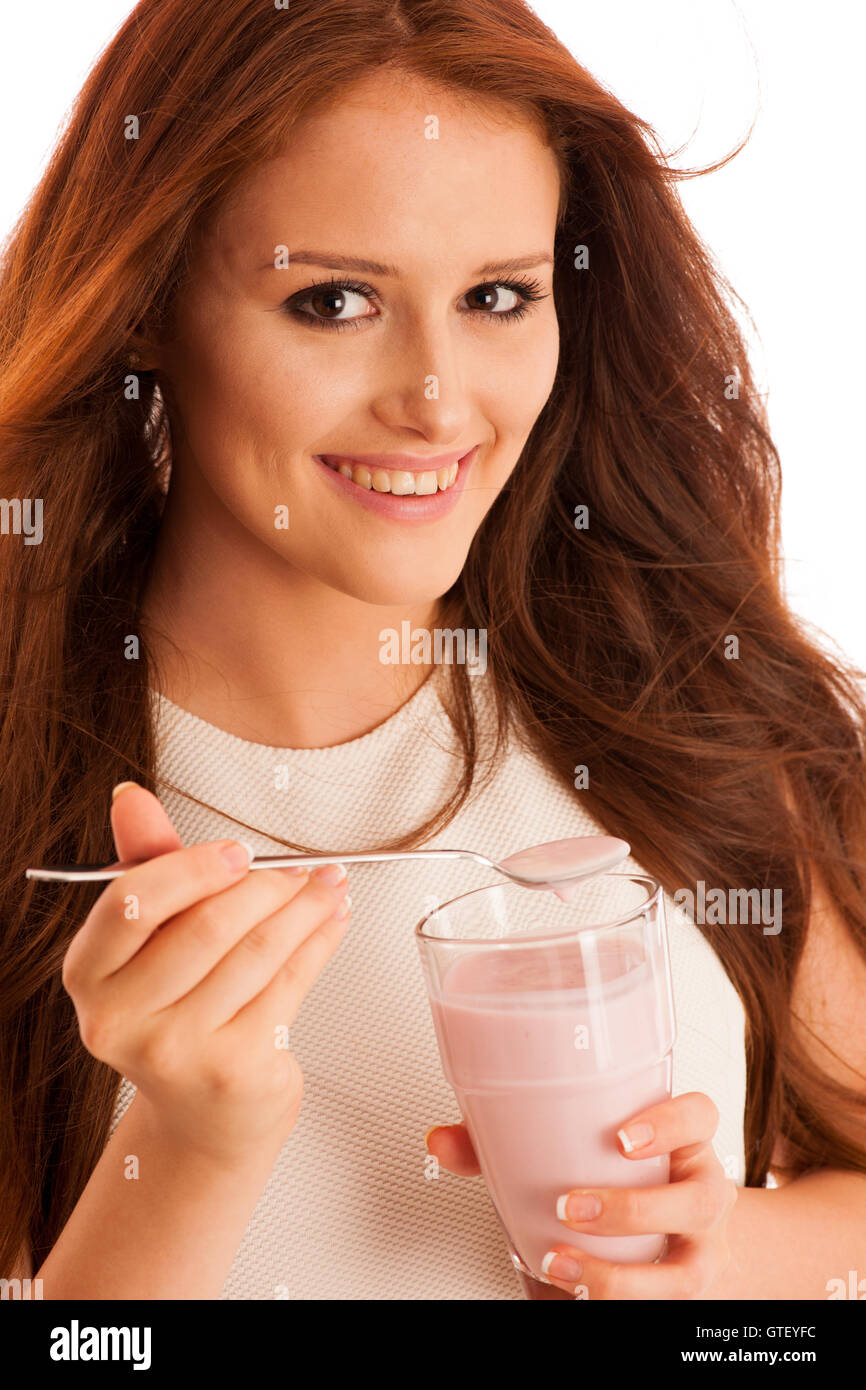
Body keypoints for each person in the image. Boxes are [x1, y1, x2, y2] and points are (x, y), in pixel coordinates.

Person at [2, 0, 865, 1302]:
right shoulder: (26, 796)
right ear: (144, 309)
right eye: (333, 299)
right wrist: (180, 1149)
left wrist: (710, 1265)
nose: (435, 398)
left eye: (496, 296)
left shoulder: (678, 703)